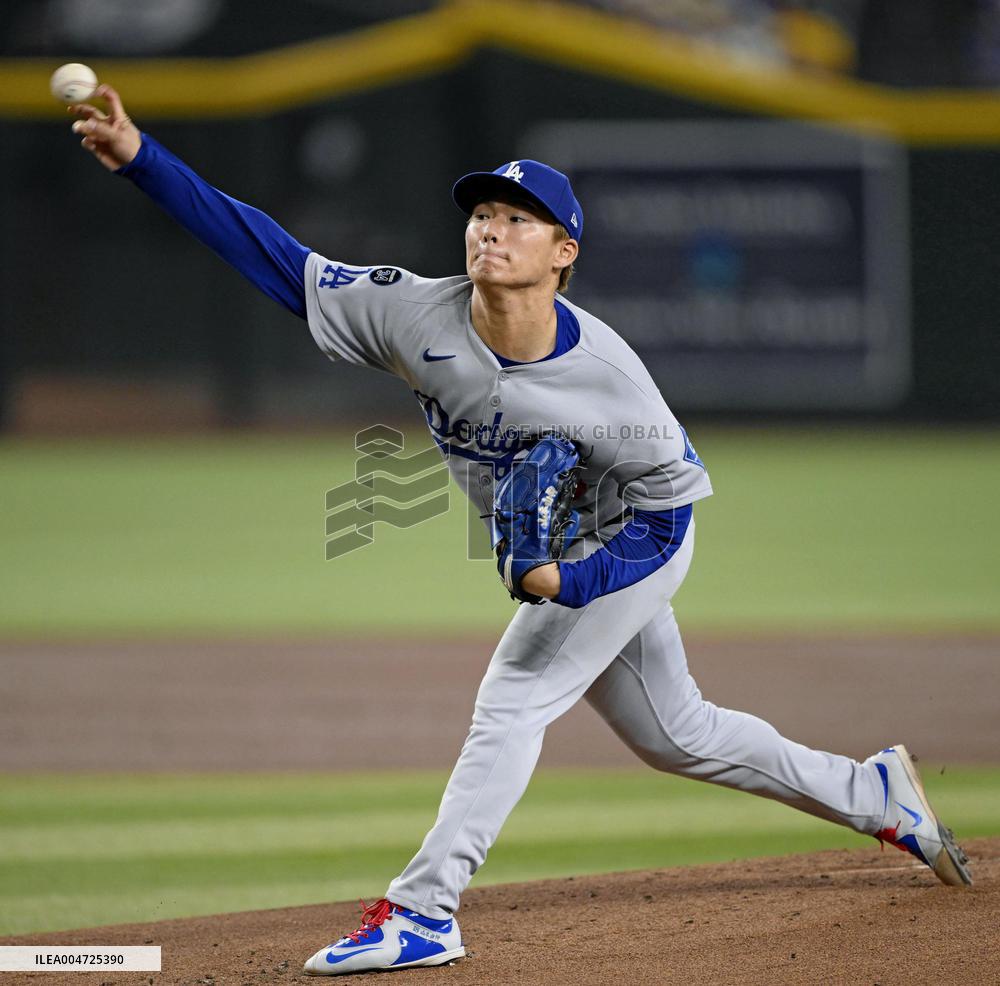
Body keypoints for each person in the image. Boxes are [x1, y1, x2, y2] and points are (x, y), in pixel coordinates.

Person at [70, 86, 972, 977]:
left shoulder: (612, 382)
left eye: (519, 219)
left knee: (515, 695)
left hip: (627, 545)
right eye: (485, 214)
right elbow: (267, 253)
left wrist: (567, 584)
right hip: (558, 552)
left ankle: (425, 911)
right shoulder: (412, 313)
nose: (491, 230)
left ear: (563, 252)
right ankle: (875, 793)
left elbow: (669, 515)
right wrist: (141, 160)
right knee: (677, 733)